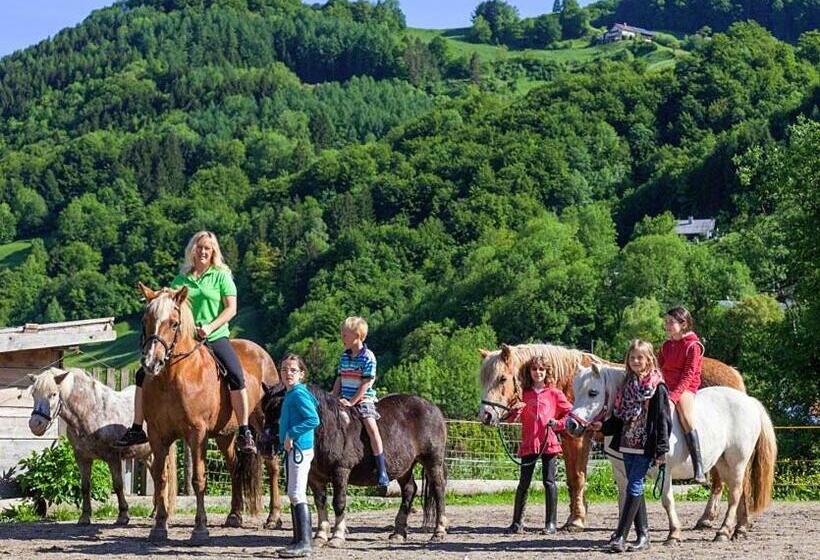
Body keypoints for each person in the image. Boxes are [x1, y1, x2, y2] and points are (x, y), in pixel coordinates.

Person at [116, 231, 257, 453]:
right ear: (192, 250)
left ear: (213, 252)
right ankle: (136, 427)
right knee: (142, 374)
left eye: (207, 249)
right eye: (199, 247)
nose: (202, 251)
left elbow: (231, 309)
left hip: (215, 335)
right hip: (185, 340)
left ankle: (245, 431)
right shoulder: (181, 280)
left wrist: (210, 327)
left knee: (236, 374)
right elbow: (169, 305)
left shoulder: (222, 276)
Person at [590, 339, 670, 553]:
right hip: (626, 443)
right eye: (632, 357)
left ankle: (620, 537)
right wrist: (603, 427)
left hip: (645, 443)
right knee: (635, 487)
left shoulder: (657, 387)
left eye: (640, 357)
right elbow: (618, 417)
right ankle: (643, 536)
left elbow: (663, 419)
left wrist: (661, 449)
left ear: (649, 359)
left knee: (634, 485)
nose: (636, 361)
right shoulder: (626, 385)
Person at [505, 356, 571, 535]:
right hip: (529, 443)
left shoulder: (555, 393)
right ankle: (517, 522)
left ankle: (551, 523)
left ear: (546, 372)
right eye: (534, 369)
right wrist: (512, 413)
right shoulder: (523, 394)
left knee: (549, 482)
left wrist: (558, 424)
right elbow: (511, 418)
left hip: (548, 443)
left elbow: (569, 413)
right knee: (523, 483)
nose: (538, 373)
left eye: (541, 369)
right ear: (530, 372)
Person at [332, 316, 389, 488]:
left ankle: (381, 468)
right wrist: (333, 396)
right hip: (345, 398)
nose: (342, 338)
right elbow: (339, 378)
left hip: (363, 398)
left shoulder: (368, 357)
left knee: (371, 427)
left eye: (345, 335)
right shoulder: (344, 356)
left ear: (357, 336)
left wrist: (352, 401)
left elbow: (365, 384)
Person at [277, 354, 320, 558]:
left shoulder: (298, 394)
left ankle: (304, 542)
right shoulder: (292, 393)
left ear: (301, 374)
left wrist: (292, 434)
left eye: (293, 370)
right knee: (293, 493)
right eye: (284, 369)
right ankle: (297, 540)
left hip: (300, 449)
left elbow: (313, 419)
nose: (288, 373)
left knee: (296, 493)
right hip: (294, 449)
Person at [659, 306, 706, 484]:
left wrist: (674, 397)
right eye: (667, 322)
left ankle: (698, 466)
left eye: (671, 322)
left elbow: (688, 375)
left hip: (685, 387)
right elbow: (659, 368)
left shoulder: (693, 346)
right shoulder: (666, 346)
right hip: (665, 385)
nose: (667, 325)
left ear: (683, 323)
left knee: (686, 417)